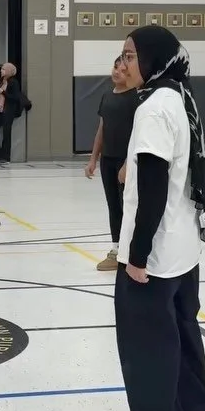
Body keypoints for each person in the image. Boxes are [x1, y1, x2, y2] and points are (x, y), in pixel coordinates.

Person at [112, 25, 205, 411]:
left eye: (131, 55)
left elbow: (154, 188)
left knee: (147, 346)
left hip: (153, 257)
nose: (125, 63)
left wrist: (136, 255)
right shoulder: (180, 98)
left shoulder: (154, 108)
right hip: (183, 250)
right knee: (184, 334)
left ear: (153, 59)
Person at [85, 56, 139, 271]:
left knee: (128, 205)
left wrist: (128, 162)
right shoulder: (107, 95)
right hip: (108, 159)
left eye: (122, 69)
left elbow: (138, 132)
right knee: (113, 205)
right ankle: (116, 249)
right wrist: (93, 158)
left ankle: (132, 251)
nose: (117, 72)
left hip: (126, 162)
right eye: (115, 67)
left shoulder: (136, 98)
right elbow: (102, 129)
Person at [0, 63, 20, 167]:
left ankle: (6, 157)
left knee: (6, 134)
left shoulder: (14, 82)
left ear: (9, 71)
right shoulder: (1, 80)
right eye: (1, 69)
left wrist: (2, 92)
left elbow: (15, 98)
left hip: (8, 111)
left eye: (3, 69)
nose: (1, 71)